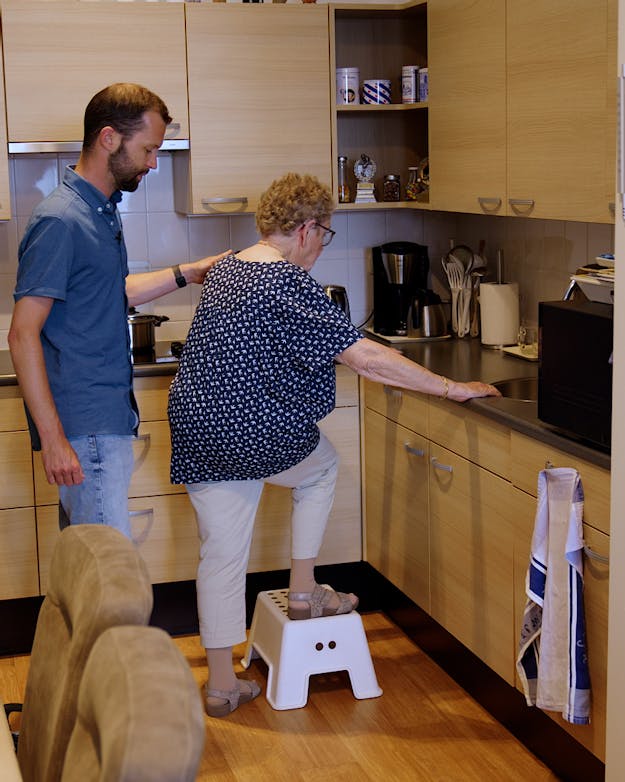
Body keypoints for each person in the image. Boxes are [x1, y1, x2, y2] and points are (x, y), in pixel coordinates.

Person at [168, 171, 501, 718]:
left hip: (200, 426)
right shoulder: (288, 283)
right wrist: (451, 387)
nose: (324, 246)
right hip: (251, 428)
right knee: (322, 468)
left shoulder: (227, 268)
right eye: (325, 234)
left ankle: (223, 684)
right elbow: (366, 357)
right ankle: (304, 591)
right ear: (305, 228)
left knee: (221, 556)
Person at [8, 82, 228, 539]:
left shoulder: (100, 211)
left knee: (86, 573)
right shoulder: (61, 220)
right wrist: (53, 441)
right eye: (148, 149)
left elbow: (111, 291)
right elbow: (22, 333)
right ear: (109, 138)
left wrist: (190, 271)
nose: (152, 162)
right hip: (86, 431)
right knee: (110, 578)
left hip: (105, 419)